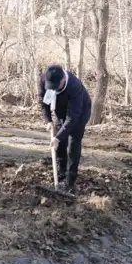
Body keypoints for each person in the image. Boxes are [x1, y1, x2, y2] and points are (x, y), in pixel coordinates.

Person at [38, 64, 92, 192]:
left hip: (79, 113)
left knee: (73, 143)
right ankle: (61, 173)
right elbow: (43, 100)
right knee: (60, 143)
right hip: (60, 111)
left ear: (63, 79)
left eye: (56, 87)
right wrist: (48, 120)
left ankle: (70, 181)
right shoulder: (44, 78)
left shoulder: (75, 86)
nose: (53, 89)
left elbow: (72, 118)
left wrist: (58, 137)